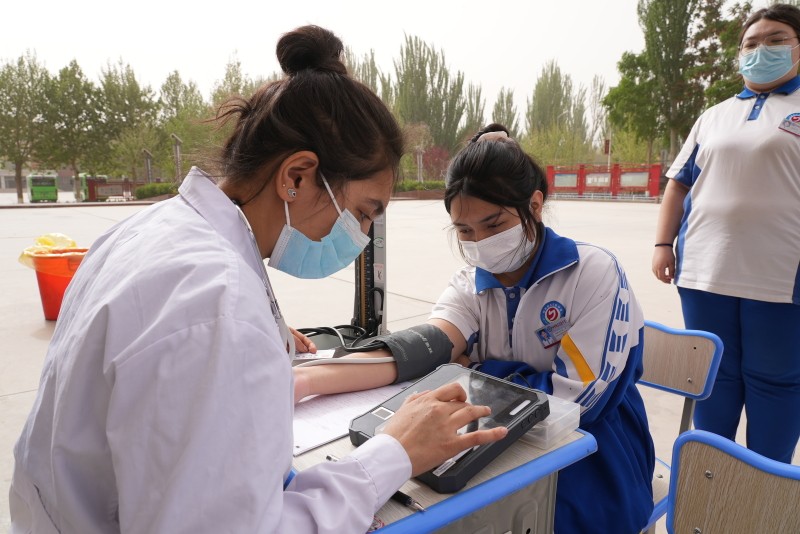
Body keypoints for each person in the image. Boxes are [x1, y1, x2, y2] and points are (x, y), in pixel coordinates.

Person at [9, 26, 508, 534]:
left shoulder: (150, 232)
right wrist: (392, 453)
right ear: (296, 176)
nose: (360, 236)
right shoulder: (217, 307)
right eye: (362, 212)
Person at [295, 124, 656, 533]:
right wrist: (306, 380)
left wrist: (475, 370)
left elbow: (577, 403)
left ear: (535, 205)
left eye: (494, 224)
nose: (480, 242)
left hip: (591, 460)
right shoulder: (470, 284)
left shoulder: (591, 274)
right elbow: (430, 346)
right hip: (492, 442)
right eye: (465, 231)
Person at [652, 3, 800, 464]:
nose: (762, 49)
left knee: (775, 383)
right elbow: (678, 184)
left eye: (776, 39)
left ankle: (765, 485)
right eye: (751, 43)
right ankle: (711, 479)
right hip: (704, 273)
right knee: (713, 379)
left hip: (780, 278)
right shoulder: (712, 117)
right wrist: (662, 244)